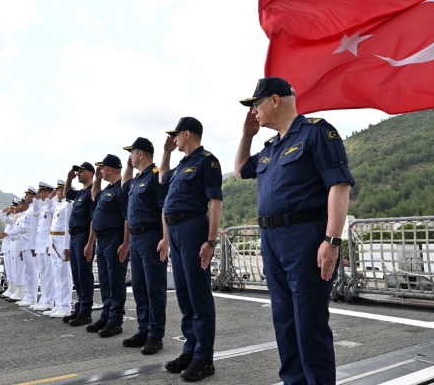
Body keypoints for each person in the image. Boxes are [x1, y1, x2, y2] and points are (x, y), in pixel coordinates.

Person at [234, 77, 354, 385]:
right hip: (272, 242)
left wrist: (332, 240)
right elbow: (240, 169)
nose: (253, 112)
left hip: (305, 238)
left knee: (309, 325)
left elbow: (339, 186)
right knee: (285, 323)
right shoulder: (270, 148)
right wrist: (247, 135)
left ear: (274, 100)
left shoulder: (316, 132)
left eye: (255, 104)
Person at [159, 117, 223, 382]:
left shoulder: (206, 160)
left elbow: (215, 202)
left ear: (187, 133)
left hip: (193, 228)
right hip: (175, 231)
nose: (174, 139)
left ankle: (204, 359)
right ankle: (190, 350)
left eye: (176, 135)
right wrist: (166, 152)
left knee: (198, 296)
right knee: (185, 296)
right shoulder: (182, 163)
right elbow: (162, 178)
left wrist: (210, 241)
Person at [122, 137, 168, 355]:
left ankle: (155, 335)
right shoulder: (136, 180)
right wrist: (128, 167)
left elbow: (164, 208)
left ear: (141, 154)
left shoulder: (156, 176)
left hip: (151, 237)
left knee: (154, 288)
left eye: (132, 153)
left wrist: (165, 238)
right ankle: (143, 329)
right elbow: (123, 188)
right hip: (136, 239)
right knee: (139, 287)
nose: (129, 157)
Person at [87, 154, 130, 338]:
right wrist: (97, 179)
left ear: (110, 169)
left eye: (102, 168)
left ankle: (115, 320)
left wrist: (126, 242)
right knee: (104, 280)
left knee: (115, 281)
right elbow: (94, 196)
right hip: (102, 240)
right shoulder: (106, 189)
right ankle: (106, 314)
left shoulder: (121, 189)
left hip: (114, 238)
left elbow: (127, 217)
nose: (101, 171)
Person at [64, 162, 98, 327]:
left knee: (84, 274)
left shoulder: (92, 192)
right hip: (74, 236)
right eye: (77, 172)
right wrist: (68, 178)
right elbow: (67, 193)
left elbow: (93, 219)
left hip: (84, 235)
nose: (78, 174)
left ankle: (86, 312)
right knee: (76, 274)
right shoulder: (79, 193)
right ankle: (79, 307)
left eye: (81, 171)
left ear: (90, 173)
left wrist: (90, 243)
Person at [47, 179, 74, 318]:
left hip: (62, 242)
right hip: (54, 242)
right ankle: (58, 304)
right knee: (57, 276)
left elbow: (68, 227)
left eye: (58, 190)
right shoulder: (59, 205)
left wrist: (67, 246)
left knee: (64, 276)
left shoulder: (68, 205)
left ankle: (65, 306)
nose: (56, 192)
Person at [31, 182, 57, 312]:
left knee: (49, 274)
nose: (39, 194)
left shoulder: (53, 206)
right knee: (43, 274)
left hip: (47, 245)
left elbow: (52, 226)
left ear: (48, 193)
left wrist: (50, 198)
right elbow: (35, 212)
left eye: (41, 192)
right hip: (40, 245)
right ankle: (44, 298)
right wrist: (36, 200)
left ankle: (49, 300)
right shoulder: (44, 208)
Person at [0, 199, 21, 300]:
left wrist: (9, 213)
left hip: (13, 245)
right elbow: (5, 219)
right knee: (9, 269)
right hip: (8, 246)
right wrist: (6, 213)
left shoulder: (18, 217)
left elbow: (8, 221)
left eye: (14, 206)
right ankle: (11, 287)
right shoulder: (12, 217)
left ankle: (15, 288)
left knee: (14, 270)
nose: (12, 209)